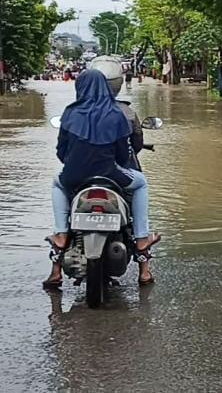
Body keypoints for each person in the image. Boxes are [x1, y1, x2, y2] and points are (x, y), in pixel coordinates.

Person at [44, 70, 159, 289]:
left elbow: (61, 151)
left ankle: (61, 236)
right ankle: (142, 244)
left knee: (57, 183)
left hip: (75, 177)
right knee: (141, 183)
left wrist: (75, 162)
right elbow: (124, 156)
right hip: (110, 174)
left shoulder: (70, 112)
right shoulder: (117, 114)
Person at [89, 56, 143, 169]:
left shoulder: (75, 111)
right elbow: (137, 144)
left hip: (83, 170)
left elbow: (63, 150)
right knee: (140, 180)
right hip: (117, 170)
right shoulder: (127, 112)